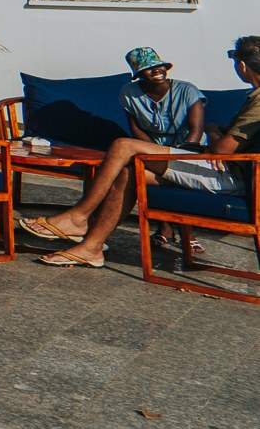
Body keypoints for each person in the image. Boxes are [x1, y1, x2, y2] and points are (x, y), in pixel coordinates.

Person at [27, 40, 260, 266]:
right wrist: (217, 133)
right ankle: (91, 248)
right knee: (128, 173)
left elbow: (222, 149)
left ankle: (78, 216)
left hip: (228, 174)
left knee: (123, 146)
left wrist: (212, 130)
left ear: (242, 65)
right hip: (223, 167)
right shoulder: (131, 93)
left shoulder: (257, 99)